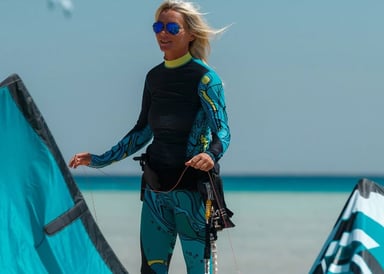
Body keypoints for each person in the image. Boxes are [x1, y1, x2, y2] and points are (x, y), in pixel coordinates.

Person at [69, 1, 232, 273]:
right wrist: (98, 159)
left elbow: (223, 132)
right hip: (156, 190)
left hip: (192, 193)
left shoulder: (205, 78)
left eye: (171, 27)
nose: (162, 33)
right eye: (158, 27)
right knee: (150, 269)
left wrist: (210, 155)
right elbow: (142, 131)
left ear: (191, 33)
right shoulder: (154, 78)